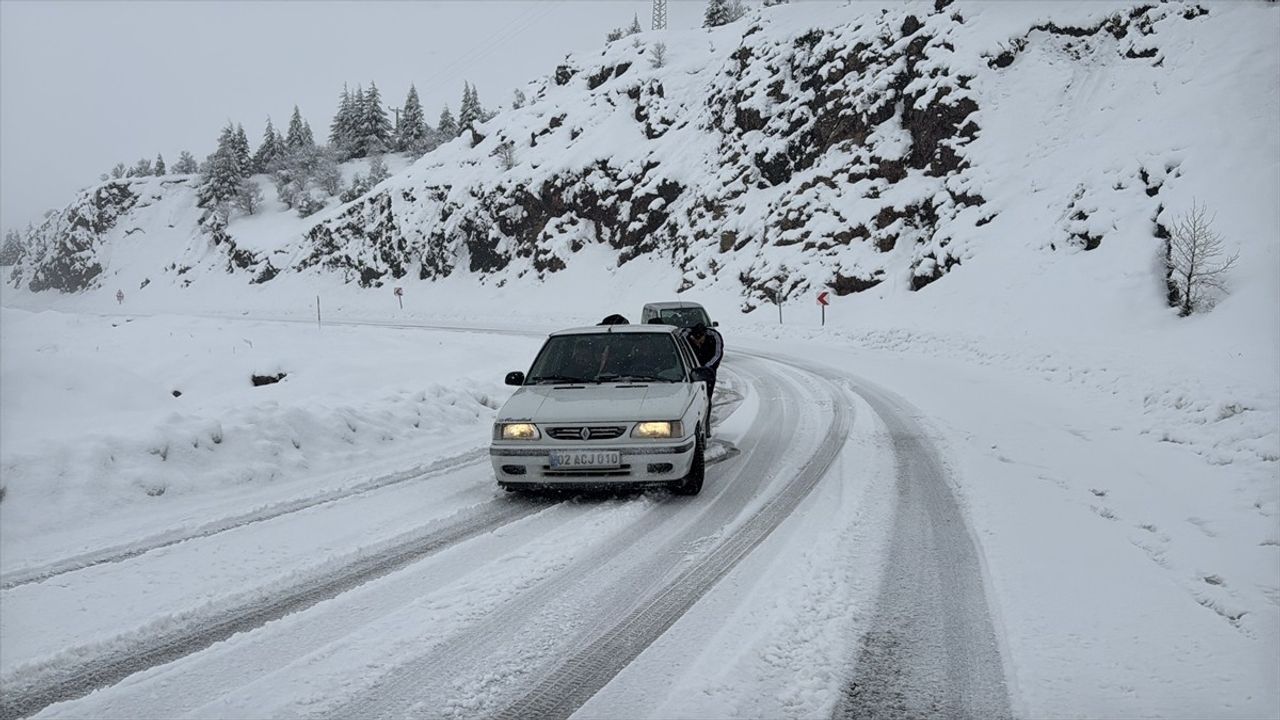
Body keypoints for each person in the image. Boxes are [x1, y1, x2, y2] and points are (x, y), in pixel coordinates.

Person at [683, 322, 723, 432]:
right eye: (695, 339)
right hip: (690, 371)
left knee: (707, 397)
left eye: (700, 339)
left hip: (708, 372)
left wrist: (706, 368)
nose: (698, 342)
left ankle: (706, 424)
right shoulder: (685, 337)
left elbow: (717, 354)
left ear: (705, 335)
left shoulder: (714, 337)